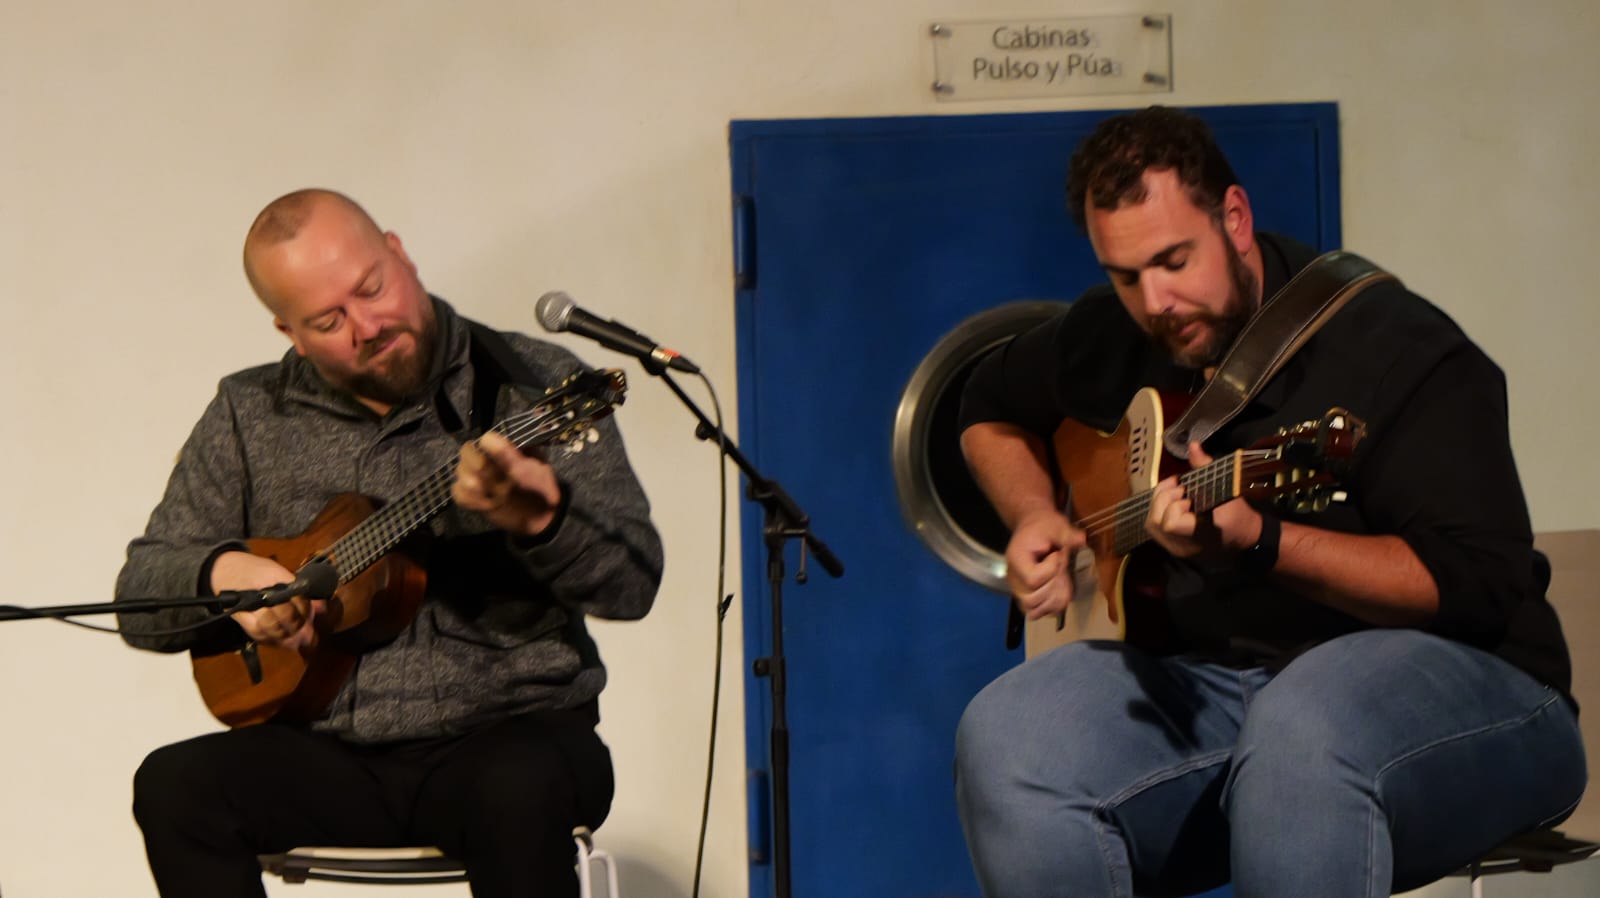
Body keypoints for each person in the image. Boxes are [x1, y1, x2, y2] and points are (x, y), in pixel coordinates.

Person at [953, 106, 1585, 897]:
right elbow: (985, 404)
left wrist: (1262, 540)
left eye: (1174, 260)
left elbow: (1477, 585)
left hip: (1480, 695)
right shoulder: (1118, 335)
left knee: (1306, 722)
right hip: (1229, 690)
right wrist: (1034, 514)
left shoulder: (1398, 352)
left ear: (1235, 218)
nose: (1156, 301)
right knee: (1008, 735)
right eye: (1126, 276)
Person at [115, 188, 663, 898]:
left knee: (516, 787)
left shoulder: (531, 383)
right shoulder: (247, 414)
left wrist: (541, 521)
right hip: (330, 755)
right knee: (175, 786)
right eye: (328, 321)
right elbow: (139, 598)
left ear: (399, 254)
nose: (368, 326)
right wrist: (223, 575)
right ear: (289, 332)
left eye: (371, 288)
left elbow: (632, 585)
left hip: (512, 738)